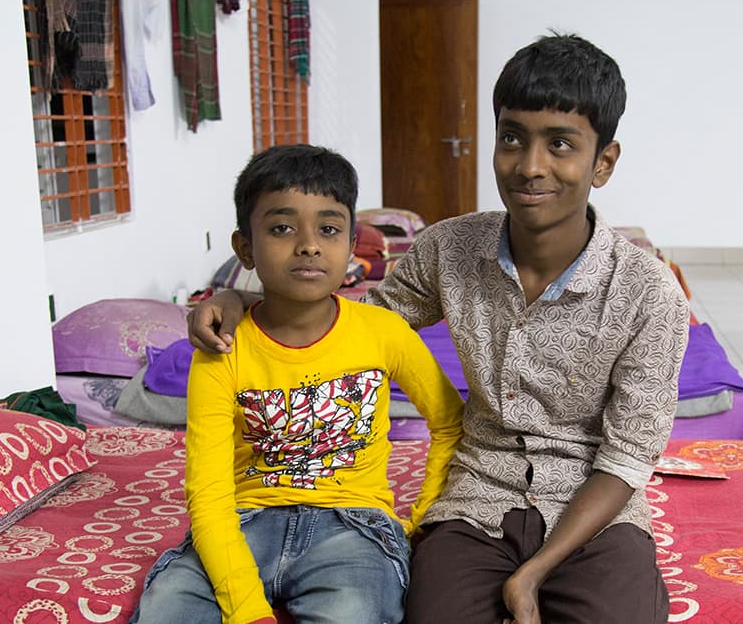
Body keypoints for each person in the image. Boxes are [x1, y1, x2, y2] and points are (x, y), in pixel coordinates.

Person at [189, 34, 689, 623]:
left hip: (593, 512)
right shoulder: (449, 248)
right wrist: (239, 294)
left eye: (560, 144)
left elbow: (628, 457)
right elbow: (353, 322)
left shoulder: (649, 293)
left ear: (602, 162)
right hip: (476, 498)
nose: (530, 166)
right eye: (512, 139)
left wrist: (534, 572)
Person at [138, 145, 465, 624]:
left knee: (357, 610)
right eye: (281, 228)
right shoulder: (222, 349)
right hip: (244, 522)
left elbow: (450, 422)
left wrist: (422, 522)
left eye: (328, 229)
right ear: (245, 247)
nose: (309, 244)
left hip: (353, 527)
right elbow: (207, 492)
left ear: (352, 245)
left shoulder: (384, 332)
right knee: (167, 608)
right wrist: (248, 610)